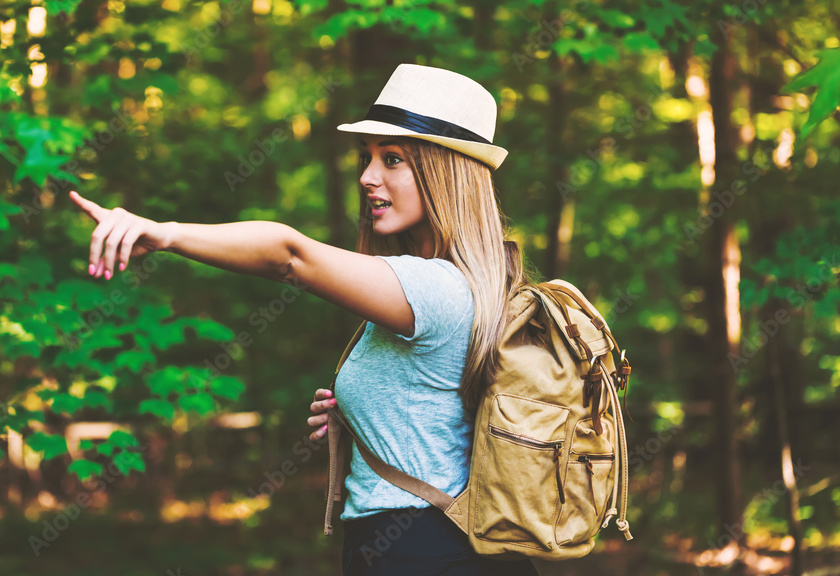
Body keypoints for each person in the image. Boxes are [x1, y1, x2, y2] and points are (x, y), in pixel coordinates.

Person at [70, 63, 537, 575]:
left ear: (447, 172)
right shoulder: (459, 283)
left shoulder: (437, 287)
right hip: (422, 546)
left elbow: (290, 257)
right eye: (367, 158)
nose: (367, 177)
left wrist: (164, 234)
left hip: (424, 548)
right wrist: (361, 410)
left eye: (394, 159)